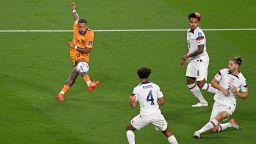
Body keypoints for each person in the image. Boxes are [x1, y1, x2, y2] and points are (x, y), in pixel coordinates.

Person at [193, 56, 248, 138]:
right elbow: (213, 82)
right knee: (214, 129)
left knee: (221, 115)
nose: (229, 65)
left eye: (231, 64)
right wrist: (222, 89)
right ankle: (230, 124)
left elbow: (245, 95)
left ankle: (198, 132)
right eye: (229, 64)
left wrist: (236, 92)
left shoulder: (242, 79)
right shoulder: (223, 72)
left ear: (236, 66)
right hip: (218, 102)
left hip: (229, 104)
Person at [56, 2, 99, 101]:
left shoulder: (90, 34)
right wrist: (74, 10)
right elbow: (76, 18)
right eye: (80, 27)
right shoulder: (76, 25)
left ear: (86, 26)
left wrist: (74, 46)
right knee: (81, 65)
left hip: (84, 53)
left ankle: (61, 94)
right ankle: (89, 83)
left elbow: (88, 50)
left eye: (83, 27)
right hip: (75, 54)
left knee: (73, 77)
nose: (81, 29)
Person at [126, 67, 178, 144]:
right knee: (167, 132)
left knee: (129, 129)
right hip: (157, 115)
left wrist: (131, 102)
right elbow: (162, 101)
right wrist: (155, 107)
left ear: (138, 76)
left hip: (144, 116)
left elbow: (133, 106)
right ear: (148, 76)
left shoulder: (136, 89)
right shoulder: (155, 86)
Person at [180, 12, 218, 107]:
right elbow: (190, 47)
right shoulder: (189, 31)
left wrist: (187, 56)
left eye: (195, 22)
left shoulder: (199, 33)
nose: (193, 24)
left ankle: (221, 92)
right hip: (193, 60)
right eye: (191, 22)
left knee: (201, 84)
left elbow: (200, 50)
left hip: (201, 60)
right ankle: (202, 101)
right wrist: (185, 57)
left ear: (198, 23)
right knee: (189, 81)